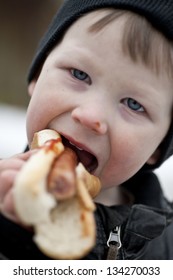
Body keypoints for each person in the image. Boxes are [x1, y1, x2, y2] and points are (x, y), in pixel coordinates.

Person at [0, 0, 173, 260]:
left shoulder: (165, 244)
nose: (90, 116)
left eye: (134, 104)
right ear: (37, 76)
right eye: (79, 74)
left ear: (158, 146)